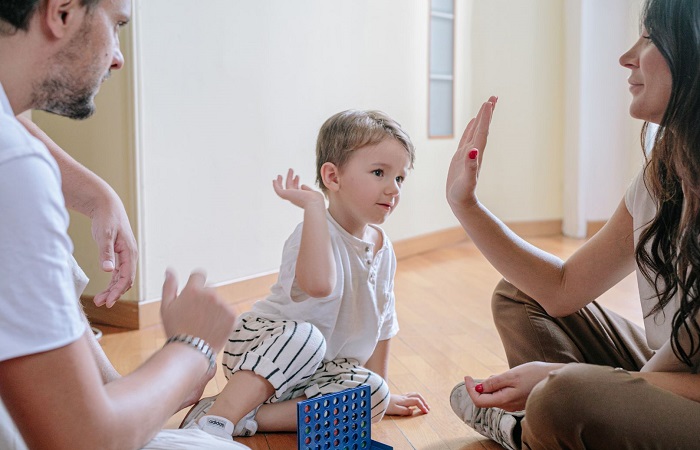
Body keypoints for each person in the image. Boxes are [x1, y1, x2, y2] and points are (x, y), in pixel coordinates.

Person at [445, 0, 700, 448]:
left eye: (651, 37)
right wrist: (466, 204)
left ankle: (537, 425)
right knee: (519, 294)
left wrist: (565, 376)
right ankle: (542, 426)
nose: (627, 56)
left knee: (564, 395)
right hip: (672, 372)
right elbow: (562, 288)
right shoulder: (663, 173)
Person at [0, 1, 249, 449]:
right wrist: (193, 348)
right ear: (61, 13)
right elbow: (84, 441)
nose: (116, 56)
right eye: (115, 26)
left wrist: (97, 195)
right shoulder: (14, 168)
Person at [180, 110, 430, 440]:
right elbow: (320, 285)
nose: (393, 189)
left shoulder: (384, 249)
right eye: (379, 173)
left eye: (400, 178)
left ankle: (247, 417)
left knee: (374, 397)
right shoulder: (311, 232)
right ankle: (219, 417)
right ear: (332, 177)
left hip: (319, 373)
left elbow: (384, 322)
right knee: (308, 339)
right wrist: (313, 207)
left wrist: (382, 391)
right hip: (266, 352)